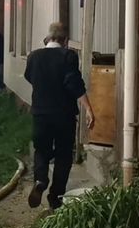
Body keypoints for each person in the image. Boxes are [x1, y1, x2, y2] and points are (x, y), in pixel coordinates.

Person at [24, 22, 95, 210]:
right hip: (64, 115)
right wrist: (88, 108)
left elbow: (29, 76)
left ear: (48, 38)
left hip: (40, 113)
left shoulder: (34, 57)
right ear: (65, 40)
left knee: (41, 150)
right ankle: (55, 197)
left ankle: (40, 180)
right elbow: (74, 83)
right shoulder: (68, 56)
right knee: (64, 155)